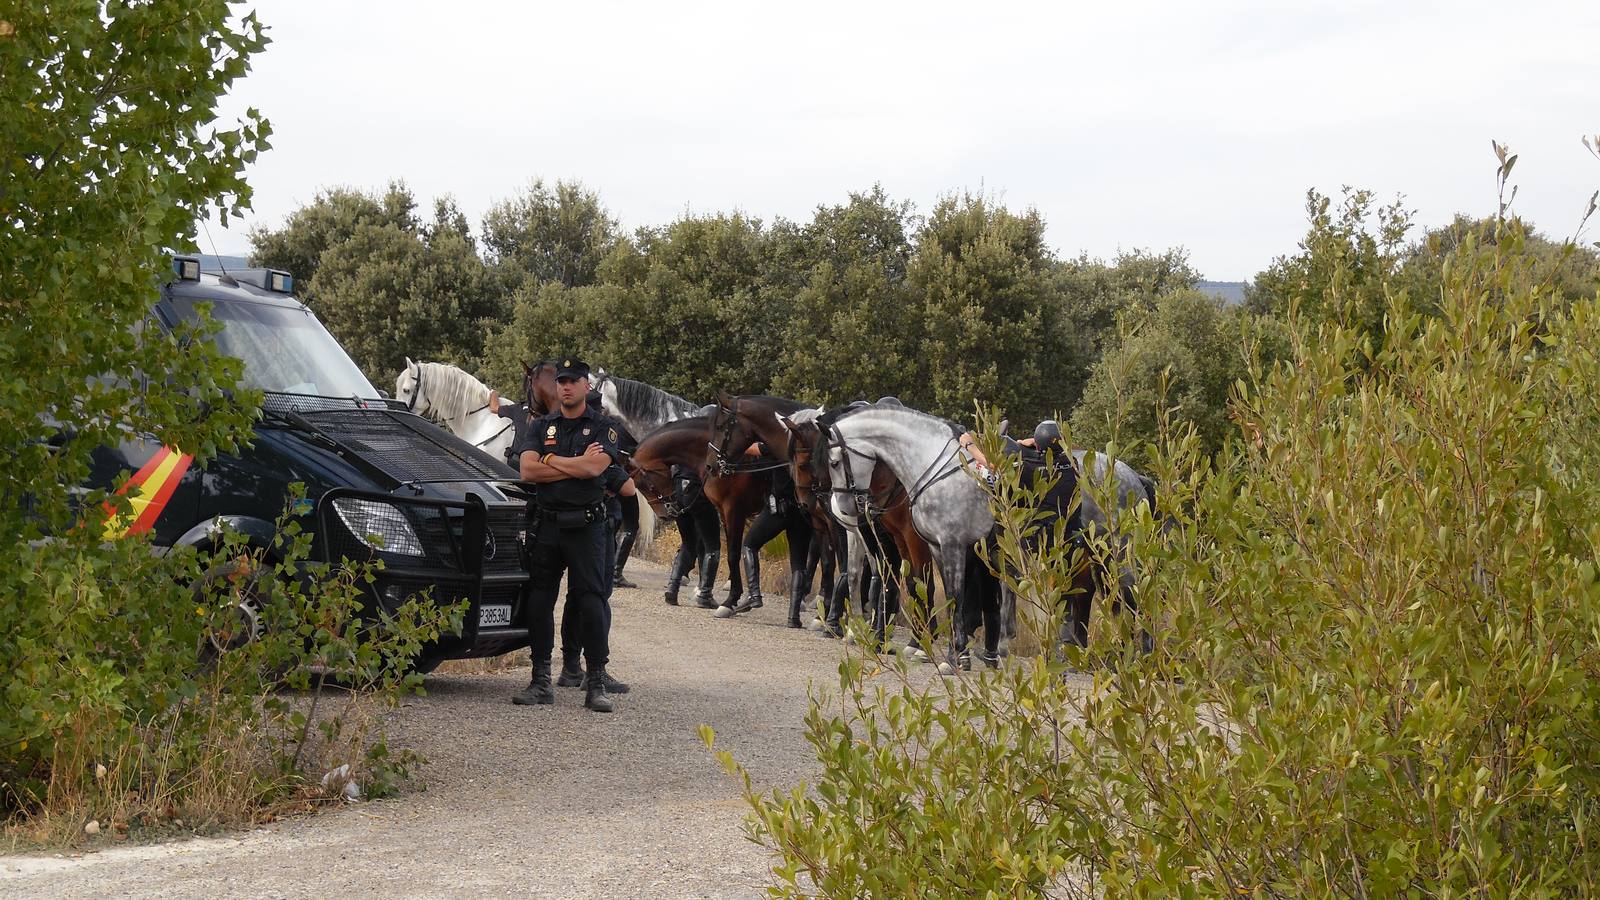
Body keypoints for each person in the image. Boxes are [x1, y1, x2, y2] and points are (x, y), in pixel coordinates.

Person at [511, 357, 624, 713]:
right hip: (547, 525)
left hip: (586, 527)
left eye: (573, 380)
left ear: (585, 386)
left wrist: (550, 461)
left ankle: (596, 681)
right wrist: (568, 467)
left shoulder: (605, 428)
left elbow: (595, 468)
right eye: (561, 380)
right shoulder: (541, 425)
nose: (565, 386)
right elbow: (527, 470)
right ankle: (541, 680)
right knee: (540, 601)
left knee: (591, 601)